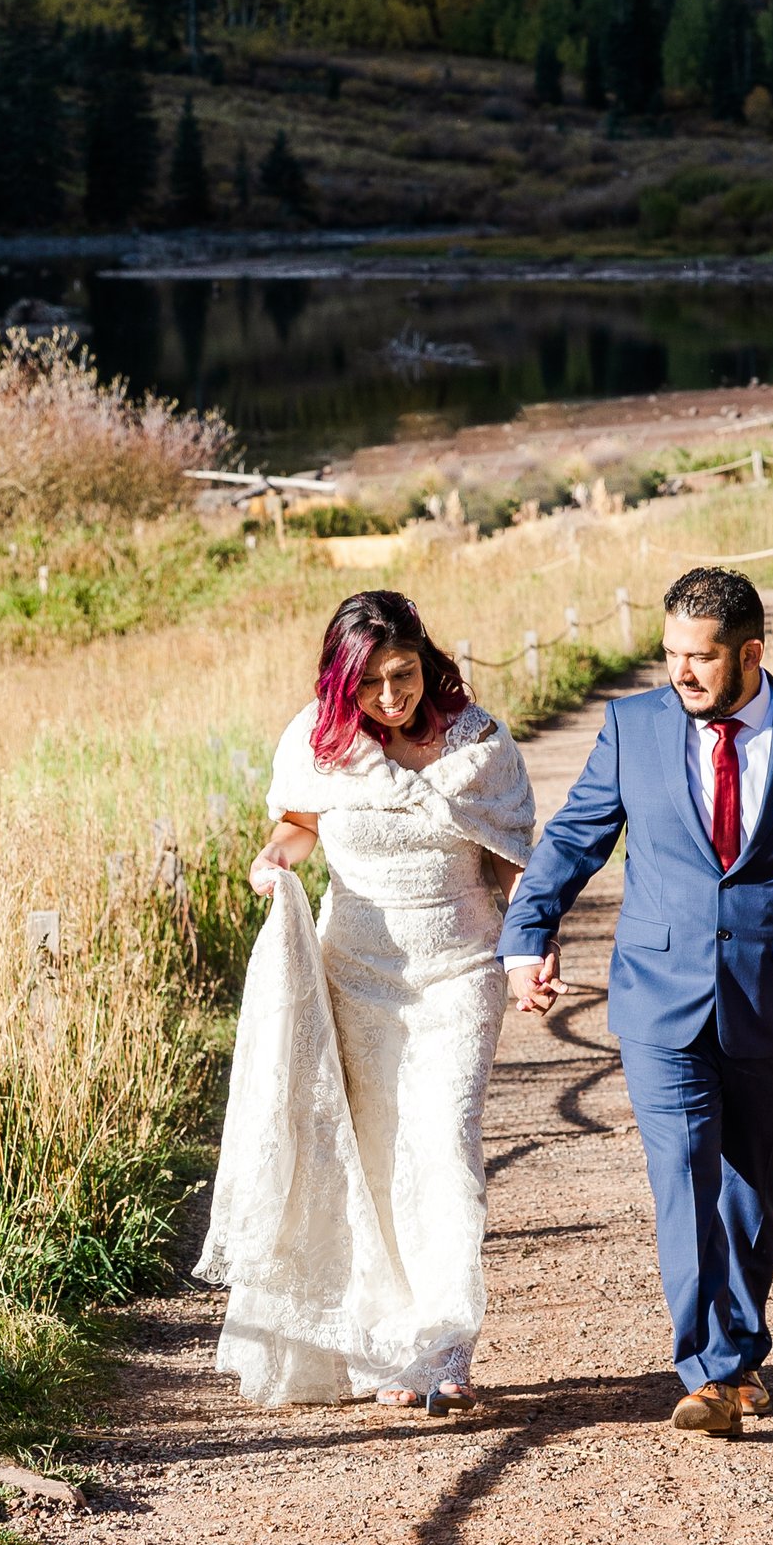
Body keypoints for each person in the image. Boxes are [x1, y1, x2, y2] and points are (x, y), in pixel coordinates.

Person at [498, 561, 773, 1439]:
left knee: (753, 1186)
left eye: (701, 658)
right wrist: (529, 932)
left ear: (750, 654)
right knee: (683, 1176)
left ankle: (739, 1355)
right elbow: (574, 837)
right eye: (670, 654)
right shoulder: (632, 728)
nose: (681, 674)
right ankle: (708, 1372)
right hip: (659, 1000)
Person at [197, 590, 538, 1416]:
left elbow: (512, 864)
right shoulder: (319, 742)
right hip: (356, 973)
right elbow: (298, 828)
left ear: (428, 662)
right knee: (376, 1153)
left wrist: (531, 948)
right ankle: (388, 1346)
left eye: (406, 675)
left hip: (459, 971)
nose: (393, 697)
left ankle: (446, 1346)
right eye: (374, 683)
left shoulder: (480, 744)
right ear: (343, 681)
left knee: (446, 1142)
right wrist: (272, 862)